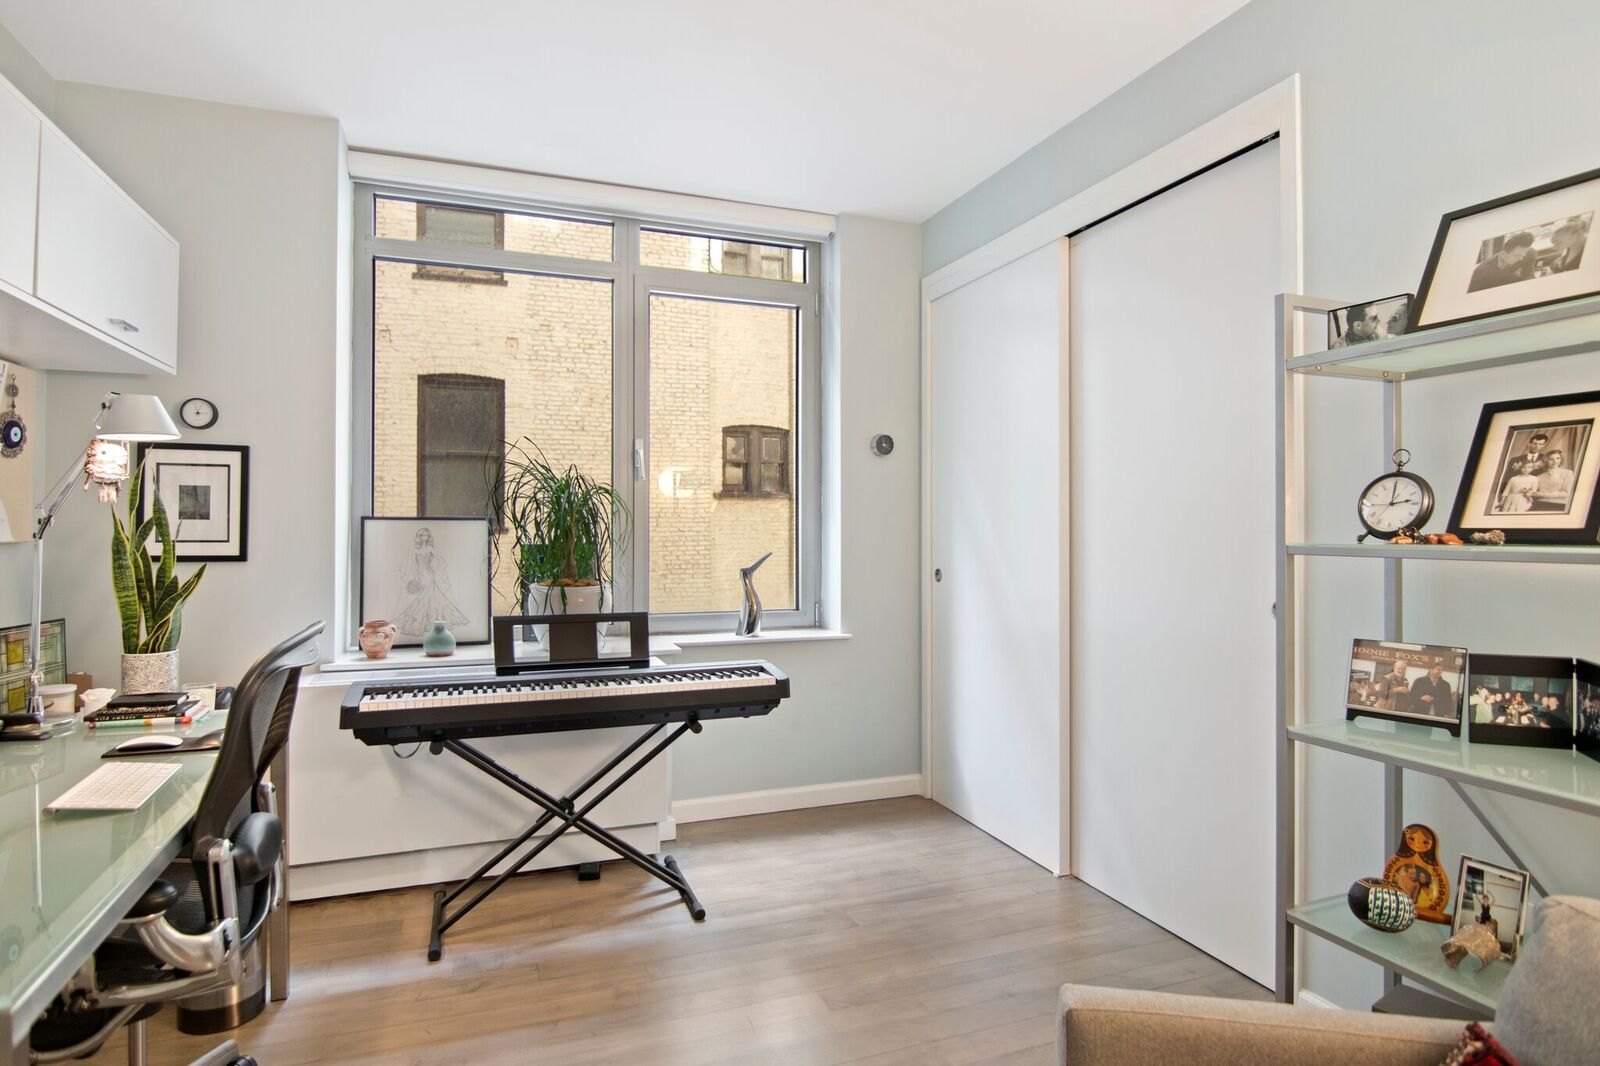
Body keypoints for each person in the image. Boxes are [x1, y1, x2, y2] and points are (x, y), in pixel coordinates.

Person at [1470, 230, 1536, 291]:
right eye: (1517, 256)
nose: (1521, 258)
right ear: (1503, 254)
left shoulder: (1530, 253)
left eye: (1524, 253)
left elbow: (1529, 275)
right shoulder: (1482, 271)